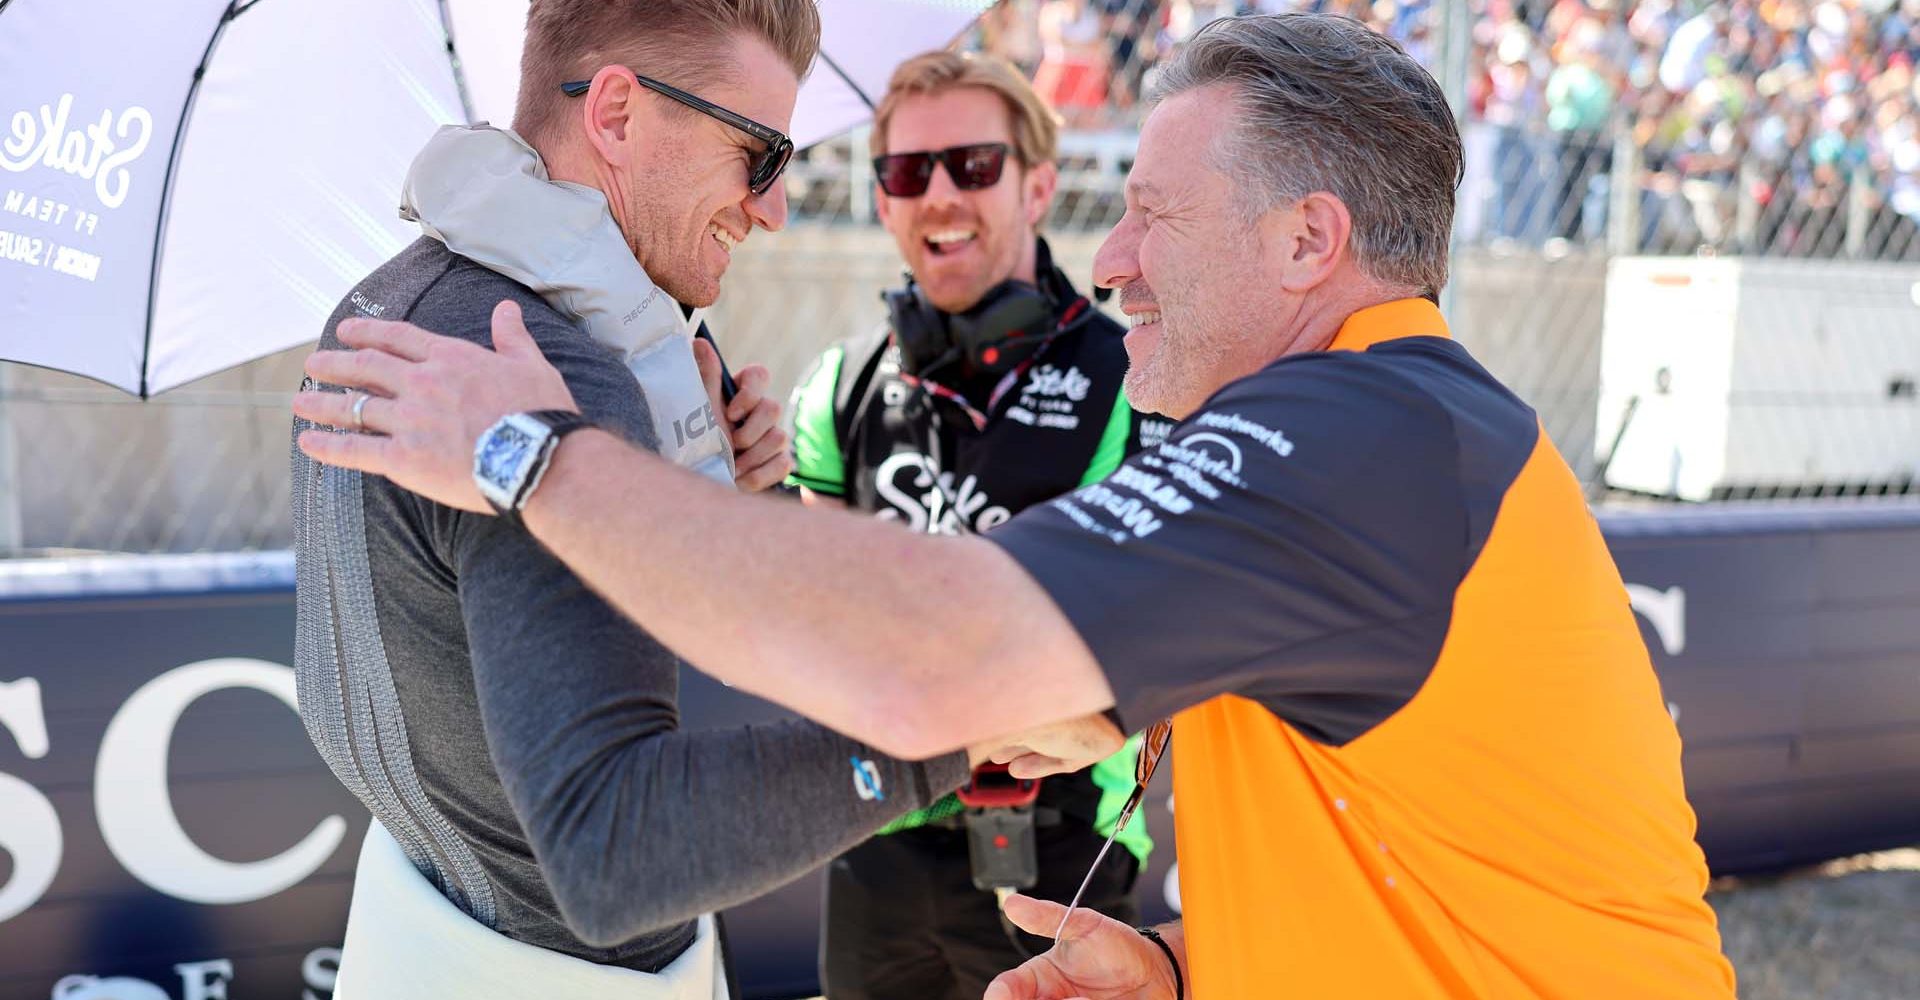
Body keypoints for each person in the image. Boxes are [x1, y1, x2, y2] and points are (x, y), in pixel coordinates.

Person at [294, 14, 1739, 998]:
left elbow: (940, 661)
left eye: (1153, 213)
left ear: (1311, 239)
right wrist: (1184, 964)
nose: (1108, 261)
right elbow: (1416, 852)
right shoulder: (1366, 429)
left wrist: (531, 459)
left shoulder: (1362, 435)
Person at [287, 3, 1085, 996]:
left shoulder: (393, 301)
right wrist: (965, 726)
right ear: (616, 112)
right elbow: (620, 854)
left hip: (422, 932)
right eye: (757, 154)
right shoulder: (542, 383)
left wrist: (683, 486)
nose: (774, 206)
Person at [785, 51, 1152, 1000]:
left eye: (973, 166)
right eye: (909, 173)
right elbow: (817, 628)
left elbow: (1157, 634)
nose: (939, 194)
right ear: (882, 200)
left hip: (1068, 845)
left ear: (1037, 185)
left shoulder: (1136, 385)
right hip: (879, 839)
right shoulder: (838, 387)